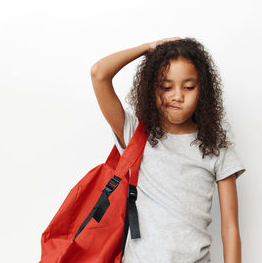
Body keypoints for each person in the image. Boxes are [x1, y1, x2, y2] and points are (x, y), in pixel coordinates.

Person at [90, 37, 246, 263]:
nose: (177, 96)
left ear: (203, 91)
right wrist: (148, 48)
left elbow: (230, 227)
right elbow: (99, 74)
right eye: (166, 86)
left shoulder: (216, 150)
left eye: (188, 87)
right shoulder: (136, 134)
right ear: (152, 88)